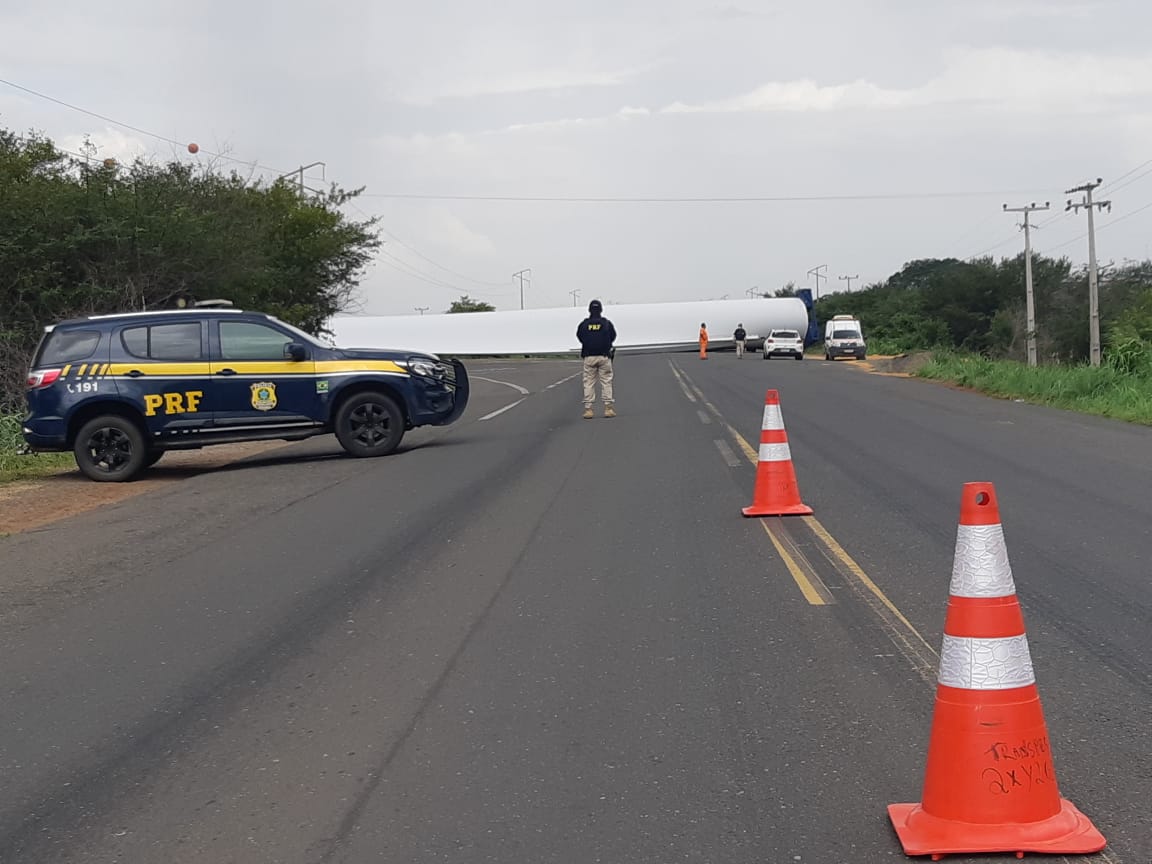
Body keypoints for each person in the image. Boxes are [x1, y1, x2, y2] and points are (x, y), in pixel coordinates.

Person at [576, 299, 617, 419]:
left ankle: (588, 409)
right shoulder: (606, 323)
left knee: (588, 382)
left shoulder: (584, 324)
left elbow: (579, 336)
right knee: (606, 381)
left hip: (589, 356)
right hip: (604, 356)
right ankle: (608, 408)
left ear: (589, 310)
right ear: (601, 310)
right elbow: (613, 336)